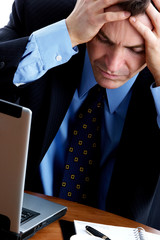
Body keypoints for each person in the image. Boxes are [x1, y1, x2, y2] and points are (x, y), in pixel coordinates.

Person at [0, 0, 160, 229]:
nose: (112, 65)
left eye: (136, 50)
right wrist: (66, 33)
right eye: (103, 39)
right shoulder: (41, 15)